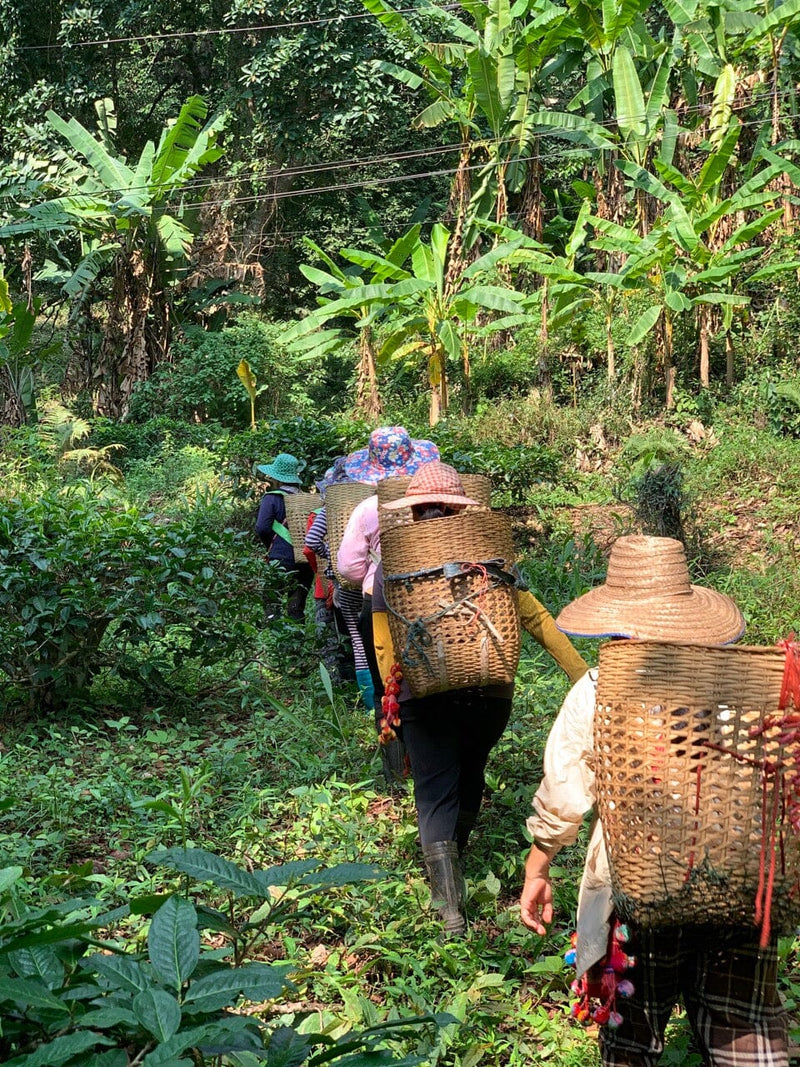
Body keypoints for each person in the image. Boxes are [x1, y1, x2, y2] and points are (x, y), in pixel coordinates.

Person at [519, 534, 789, 1067]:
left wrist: (538, 867)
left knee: (631, 1041)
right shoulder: (746, 686)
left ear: (616, 620)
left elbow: (566, 792)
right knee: (746, 1036)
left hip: (637, 892)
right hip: (734, 889)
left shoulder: (599, 689)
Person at [371, 462, 589, 936]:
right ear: (459, 507)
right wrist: (584, 677)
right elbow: (537, 619)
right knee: (471, 770)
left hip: (424, 696)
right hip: (491, 691)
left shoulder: (394, 561)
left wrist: (390, 699)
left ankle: (449, 908)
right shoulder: (490, 556)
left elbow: (384, 644)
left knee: (433, 790)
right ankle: (457, 851)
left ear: (413, 511)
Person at [337, 426, 440, 715]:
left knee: (387, 679)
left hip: (379, 598)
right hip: (432, 591)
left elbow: (348, 566)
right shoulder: (434, 501)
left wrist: (371, 574)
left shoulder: (368, 509)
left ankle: (390, 731)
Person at [254, 452, 314, 622]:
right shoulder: (307, 500)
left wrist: (271, 547)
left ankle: (276, 639)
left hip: (281, 557)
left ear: (277, 479)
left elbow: (262, 528)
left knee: (272, 600)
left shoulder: (271, 498)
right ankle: (297, 642)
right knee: (296, 606)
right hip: (305, 558)